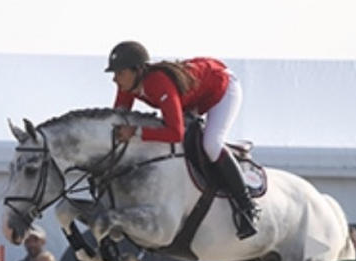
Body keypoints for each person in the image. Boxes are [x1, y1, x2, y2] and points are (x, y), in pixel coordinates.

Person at [106, 40, 258, 239]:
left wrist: (135, 132)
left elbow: (175, 133)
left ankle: (247, 207)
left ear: (137, 70)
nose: (115, 80)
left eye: (119, 73)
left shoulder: (158, 83)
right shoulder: (128, 84)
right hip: (192, 96)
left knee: (211, 144)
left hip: (221, 88)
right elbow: (118, 118)